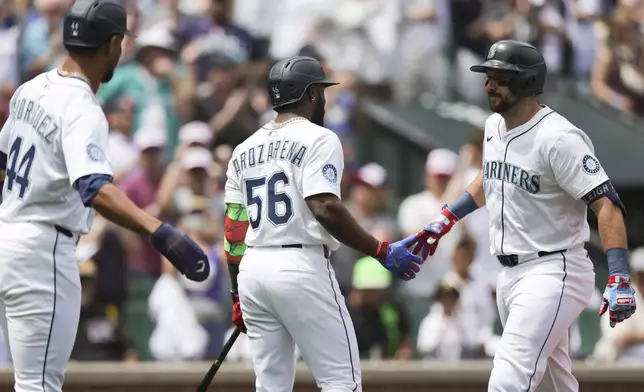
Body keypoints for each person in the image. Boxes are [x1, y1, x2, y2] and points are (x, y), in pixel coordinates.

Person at [0, 1, 209, 391]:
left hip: (6, 237)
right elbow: (94, 188)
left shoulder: (32, 88)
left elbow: (3, 157)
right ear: (113, 43)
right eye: (123, 42)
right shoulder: (82, 107)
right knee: (38, 385)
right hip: (42, 249)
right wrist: (160, 231)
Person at [405, 40, 636, 391]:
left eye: (499, 77)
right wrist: (448, 216)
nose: (489, 85)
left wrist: (618, 275)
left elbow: (607, 204)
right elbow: (490, 176)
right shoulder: (493, 127)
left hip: (553, 270)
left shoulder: (558, 138)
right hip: (509, 274)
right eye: (489, 76)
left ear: (527, 82)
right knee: (551, 384)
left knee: (508, 378)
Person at [223, 55, 423, 392]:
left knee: (270, 385)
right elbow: (324, 205)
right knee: (341, 380)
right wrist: (379, 250)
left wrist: (236, 293)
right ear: (313, 92)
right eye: (322, 91)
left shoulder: (243, 149)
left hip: (253, 270)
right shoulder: (319, 138)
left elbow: (233, 230)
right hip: (300, 264)